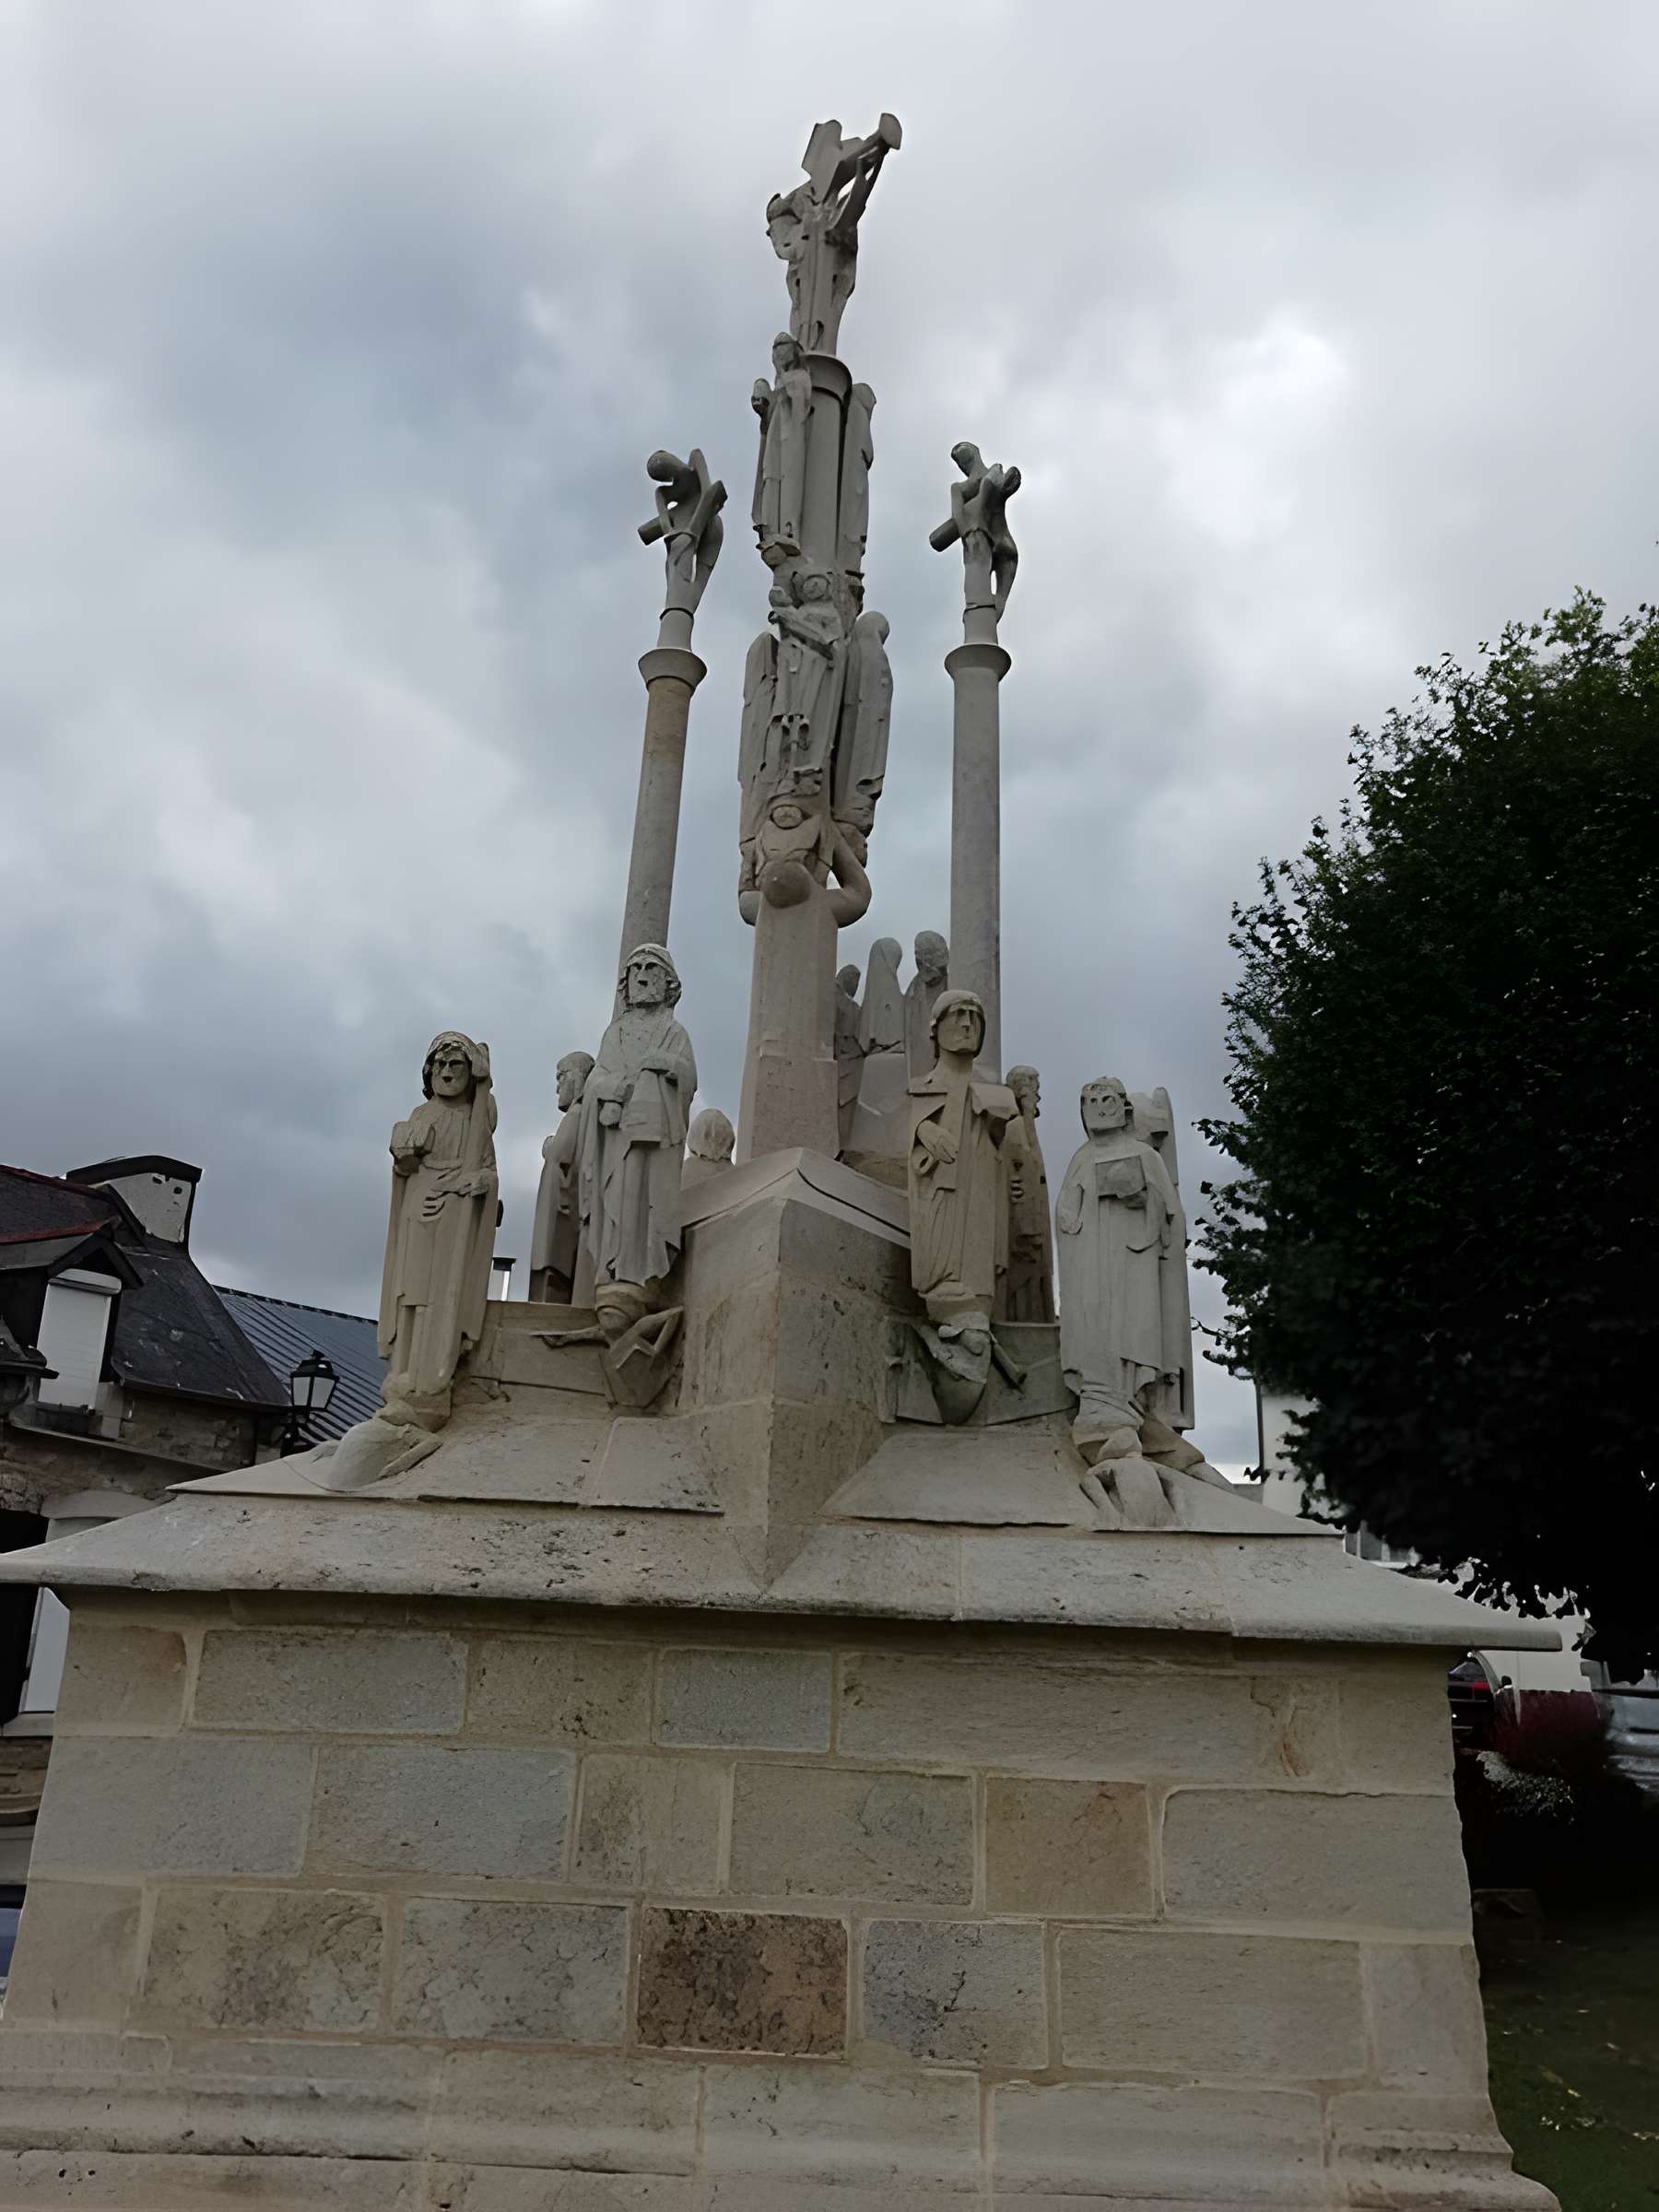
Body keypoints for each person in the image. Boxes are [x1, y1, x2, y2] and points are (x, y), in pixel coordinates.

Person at [1055, 1076, 1193, 1465]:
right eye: (1092, 1100)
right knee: (1097, 1328)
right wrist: (1081, 1214)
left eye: (1109, 1099)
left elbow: (1171, 1215)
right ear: (1083, 1112)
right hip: (1092, 1263)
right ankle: (1101, 1410)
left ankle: (1133, 1406)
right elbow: (1065, 1215)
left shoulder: (1145, 1155)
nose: (1101, 1106)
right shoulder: (1081, 1158)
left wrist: (1140, 1201)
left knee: (1132, 1329)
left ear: (1123, 1108)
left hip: (1133, 1262)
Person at [576, 945, 697, 1338]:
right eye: (636, 969)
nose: (643, 975)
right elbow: (596, 1079)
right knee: (618, 1197)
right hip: (617, 1134)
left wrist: (663, 1066)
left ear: (668, 983)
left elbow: (688, 1079)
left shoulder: (673, 1032)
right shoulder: (616, 1033)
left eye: (652, 969)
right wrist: (615, 1087)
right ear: (626, 984)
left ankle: (642, 1270)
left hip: (655, 1136)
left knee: (646, 1198)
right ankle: (615, 1266)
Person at [379, 1030, 498, 1421]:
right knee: (411, 1295)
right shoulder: (421, 1115)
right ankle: (403, 1374)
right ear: (428, 1072)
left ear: (470, 1072)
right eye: (440, 1065)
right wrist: (403, 1156)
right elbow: (406, 1167)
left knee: (441, 1297)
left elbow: (489, 1173)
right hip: (419, 1209)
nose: (447, 1072)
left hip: (455, 1215)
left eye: (456, 1065)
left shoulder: (477, 1120)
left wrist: (477, 1182)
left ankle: (432, 1381)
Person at [907, 990, 1018, 1326]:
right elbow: (907, 1132)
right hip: (938, 1195)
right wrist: (923, 1130)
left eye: (974, 1016)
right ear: (935, 1029)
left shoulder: (995, 1094)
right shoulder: (918, 1088)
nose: (967, 1024)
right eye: (957, 1014)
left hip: (980, 1197)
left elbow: (1005, 1152)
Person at [528, 1050, 594, 1303]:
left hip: (560, 1219)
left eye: (561, 1077)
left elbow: (559, 1154)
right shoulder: (577, 1115)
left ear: (576, 1077)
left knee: (552, 1285)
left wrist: (548, 1146)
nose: (558, 1088)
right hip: (556, 1215)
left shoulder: (577, 1116)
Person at [1002, 1064, 1055, 1324]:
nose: (1038, 1095)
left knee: (1038, 1276)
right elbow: (1019, 1168)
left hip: (1036, 1216)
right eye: (1034, 1088)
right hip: (1024, 1220)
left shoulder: (1024, 1125)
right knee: (1025, 1278)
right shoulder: (1014, 1128)